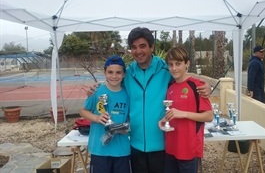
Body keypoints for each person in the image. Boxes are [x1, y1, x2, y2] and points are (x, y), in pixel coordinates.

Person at [88, 27, 212, 173]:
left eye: (142, 46)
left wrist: (206, 85)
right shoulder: (127, 73)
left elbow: (184, 77)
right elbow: (112, 84)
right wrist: (96, 88)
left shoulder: (166, 69)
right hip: (135, 144)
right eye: (133, 47)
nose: (138, 51)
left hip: (162, 145)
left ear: (152, 47)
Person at [158, 47, 213, 173]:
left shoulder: (197, 85)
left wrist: (183, 114)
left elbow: (209, 116)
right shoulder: (170, 86)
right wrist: (164, 119)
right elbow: (172, 112)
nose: (174, 68)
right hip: (171, 147)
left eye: (178, 64)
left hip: (188, 148)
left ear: (187, 64)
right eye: (171, 64)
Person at [80, 55, 131, 173]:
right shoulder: (97, 91)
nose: (114, 76)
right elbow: (83, 111)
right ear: (105, 72)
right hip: (99, 150)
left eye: (118, 72)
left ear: (124, 74)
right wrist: (97, 118)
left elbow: (130, 118)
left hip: (121, 150)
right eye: (110, 72)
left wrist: (126, 128)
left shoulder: (128, 94)